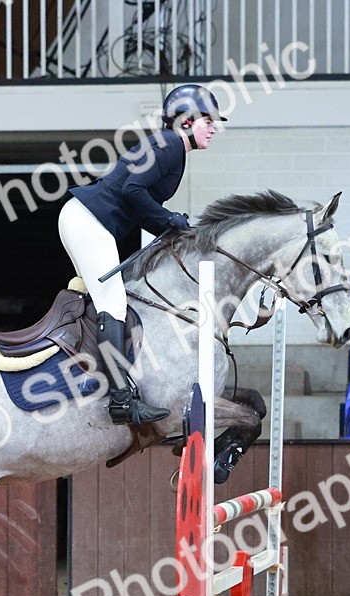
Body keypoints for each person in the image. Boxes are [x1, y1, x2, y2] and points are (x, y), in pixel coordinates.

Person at [58, 83, 226, 425]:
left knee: (113, 299)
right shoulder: (169, 145)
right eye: (206, 119)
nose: (213, 127)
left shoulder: (170, 149)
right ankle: (121, 400)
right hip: (88, 222)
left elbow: (142, 207)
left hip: (88, 221)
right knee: (113, 304)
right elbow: (133, 190)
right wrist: (169, 219)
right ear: (184, 121)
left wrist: (168, 233)